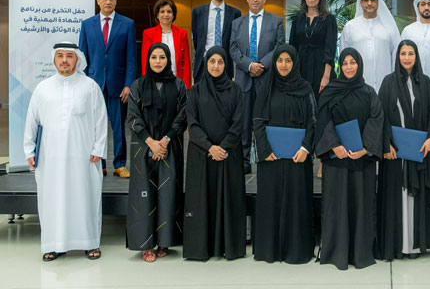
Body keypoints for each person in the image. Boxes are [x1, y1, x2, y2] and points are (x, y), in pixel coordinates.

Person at [23, 42, 108, 261]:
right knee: (53, 199)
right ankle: (53, 244)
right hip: (51, 157)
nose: (64, 60)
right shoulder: (43, 88)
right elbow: (32, 121)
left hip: (84, 157)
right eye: (60, 56)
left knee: (85, 198)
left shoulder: (90, 87)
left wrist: (99, 148)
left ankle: (89, 243)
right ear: (54, 59)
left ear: (77, 59)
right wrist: (29, 151)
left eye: (69, 56)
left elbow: (101, 120)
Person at [314, 48, 384, 270]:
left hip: (361, 160)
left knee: (361, 204)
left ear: (359, 64)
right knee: (337, 205)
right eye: (344, 63)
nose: (349, 67)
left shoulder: (369, 92)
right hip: (336, 160)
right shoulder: (330, 92)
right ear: (340, 66)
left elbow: (376, 119)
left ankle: (360, 251)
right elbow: (322, 120)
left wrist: (366, 148)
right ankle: (337, 251)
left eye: (353, 62)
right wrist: (334, 144)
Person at [375, 40, 430, 261]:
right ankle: (397, 245)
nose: (406, 58)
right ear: (397, 56)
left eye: (410, 53)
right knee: (397, 197)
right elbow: (380, 115)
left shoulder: (425, 82)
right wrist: (386, 144)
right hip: (395, 153)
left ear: (416, 56)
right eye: (403, 53)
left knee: (416, 197)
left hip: (419, 150)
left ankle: (414, 245)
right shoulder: (388, 82)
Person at [252, 45, 317, 264]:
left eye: (288, 60)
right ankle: (269, 250)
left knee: (296, 202)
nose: (283, 65)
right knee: (270, 202)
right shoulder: (267, 87)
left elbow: (313, 121)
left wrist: (305, 148)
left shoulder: (305, 89)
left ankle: (296, 250)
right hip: (271, 159)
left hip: (298, 159)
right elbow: (258, 121)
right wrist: (264, 150)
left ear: (295, 62)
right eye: (280, 60)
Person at [126, 43, 188, 262]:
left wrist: (165, 140)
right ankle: (146, 244)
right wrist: (151, 142)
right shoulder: (138, 85)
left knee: (168, 193)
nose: (158, 61)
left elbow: (183, 115)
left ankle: (164, 241)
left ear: (168, 60)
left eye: (162, 57)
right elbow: (133, 116)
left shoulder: (179, 85)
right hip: (143, 148)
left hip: (170, 147)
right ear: (148, 60)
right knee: (145, 194)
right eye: (154, 57)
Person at [183, 47, 246, 261]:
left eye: (220, 62)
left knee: (228, 200)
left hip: (228, 155)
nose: (216, 66)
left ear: (226, 65)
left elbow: (238, 123)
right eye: (212, 61)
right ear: (206, 64)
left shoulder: (235, 90)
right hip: (202, 156)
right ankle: (202, 247)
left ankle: (229, 246)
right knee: (203, 202)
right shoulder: (196, 91)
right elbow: (193, 124)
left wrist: (223, 147)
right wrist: (210, 147)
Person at [78, 0, 136, 178]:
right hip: (93, 84)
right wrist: (83, 83)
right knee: (95, 126)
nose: (108, 1)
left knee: (118, 126)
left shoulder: (127, 24)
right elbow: (82, 57)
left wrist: (128, 84)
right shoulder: (87, 25)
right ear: (98, 1)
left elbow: (131, 58)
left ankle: (119, 164)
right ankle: (99, 164)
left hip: (118, 85)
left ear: (116, 1)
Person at [230, 0, 285, 173]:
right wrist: (249, 65)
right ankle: (244, 161)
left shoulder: (276, 21)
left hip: (266, 78)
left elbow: (279, 46)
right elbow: (233, 49)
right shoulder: (237, 23)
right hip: (243, 79)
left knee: (266, 120)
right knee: (243, 122)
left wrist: (261, 64)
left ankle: (267, 158)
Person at [339, 0, 400, 93]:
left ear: (378, 2)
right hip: (357, 87)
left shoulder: (389, 27)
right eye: (365, 0)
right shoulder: (350, 27)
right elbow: (343, 55)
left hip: (385, 86)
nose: (369, 3)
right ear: (361, 3)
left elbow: (396, 55)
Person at [288, 0, 338, 97]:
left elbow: (330, 49)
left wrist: (326, 76)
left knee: (320, 100)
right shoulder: (297, 19)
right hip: (300, 67)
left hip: (321, 68)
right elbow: (292, 47)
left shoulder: (329, 19)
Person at [191, 0, 241, 84]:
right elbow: (196, 41)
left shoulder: (235, 13)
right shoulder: (198, 12)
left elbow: (235, 41)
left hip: (225, 65)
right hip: (203, 65)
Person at [141, 0, 192, 89]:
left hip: (177, 81)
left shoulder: (182, 33)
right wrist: (147, 83)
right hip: (155, 81)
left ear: (173, 15)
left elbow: (186, 61)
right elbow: (145, 60)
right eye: (162, 11)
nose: (166, 14)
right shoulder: (148, 34)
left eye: (169, 11)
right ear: (157, 15)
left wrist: (186, 86)